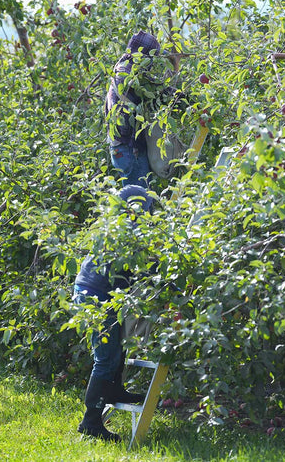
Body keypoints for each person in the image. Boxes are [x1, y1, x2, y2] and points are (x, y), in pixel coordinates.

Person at [73, 185, 156, 441]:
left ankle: (115, 392)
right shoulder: (126, 234)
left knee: (117, 348)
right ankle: (91, 423)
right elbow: (134, 272)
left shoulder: (114, 225)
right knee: (106, 359)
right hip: (96, 297)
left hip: (97, 292)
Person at [105, 31, 183, 188]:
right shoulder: (129, 74)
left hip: (122, 148)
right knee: (138, 203)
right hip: (129, 149)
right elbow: (161, 91)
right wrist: (188, 99)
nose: (152, 62)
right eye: (150, 57)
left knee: (139, 199)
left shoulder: (122, 68)